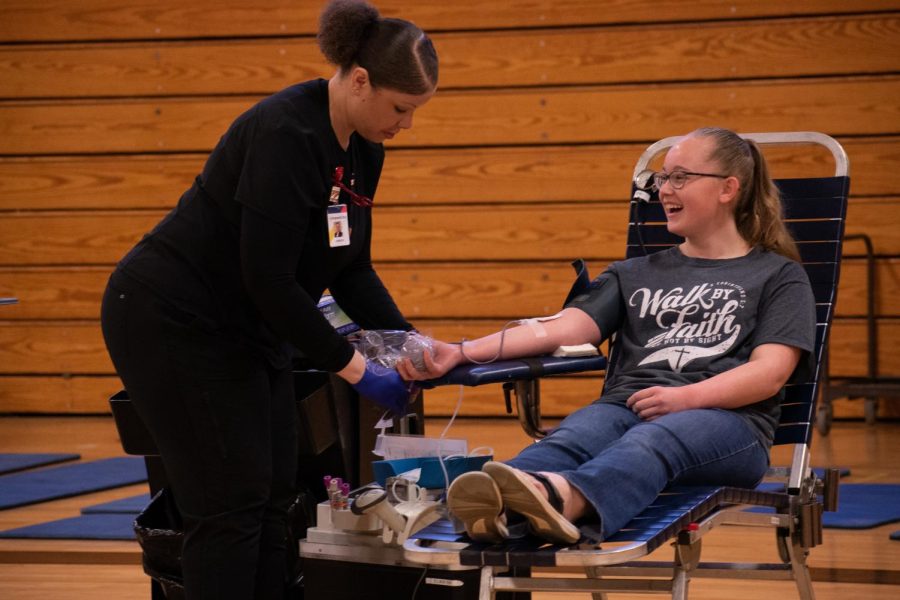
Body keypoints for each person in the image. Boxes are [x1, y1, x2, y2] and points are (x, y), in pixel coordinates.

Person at [100, 1, 437, 597]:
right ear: (360, 81)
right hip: (172, 318)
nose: (405, 124)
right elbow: (270, 280)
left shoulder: (363, 149)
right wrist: (358, 370)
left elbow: (350, 269)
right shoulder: (285, 133)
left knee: (279, 491)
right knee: (229, 503)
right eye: (401, 108)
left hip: (248, 326)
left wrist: (413, 343)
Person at [399, 127, 816, 545]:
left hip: (731, 426)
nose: (664, 190)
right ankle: (502, 506)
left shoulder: (778, 276)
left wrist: (686, 398)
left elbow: (769, 374)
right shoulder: (634, 273)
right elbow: (563, 328)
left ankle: (561, 500)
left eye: (680, 178)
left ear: (728, 189)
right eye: (661, 178)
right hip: (628, 406)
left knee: (651, 439)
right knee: (570, 440)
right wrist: (460, 351)